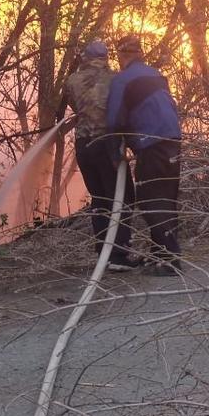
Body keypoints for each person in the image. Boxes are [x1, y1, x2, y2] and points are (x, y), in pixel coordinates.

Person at [106, 34, 183, 276]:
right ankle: (160, 255)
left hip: (152, 143)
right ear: (140, 53)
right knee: (167, 197)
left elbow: (114, 118)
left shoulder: (122, 80)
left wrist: (114, 151)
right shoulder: (155, 75)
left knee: (151, 199)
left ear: (121, 55)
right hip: (172, 139)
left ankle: (170, 261)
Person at [63, 40, 138, 271]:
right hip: (107, 145)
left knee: (99, 199)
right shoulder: (116, 79)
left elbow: (75, 106)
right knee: (122, 197)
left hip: (84, 146)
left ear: (84, 57)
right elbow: (123, 109)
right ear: (106, 57)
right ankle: (118, 255)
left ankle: (103, 253)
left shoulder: (72, 81)